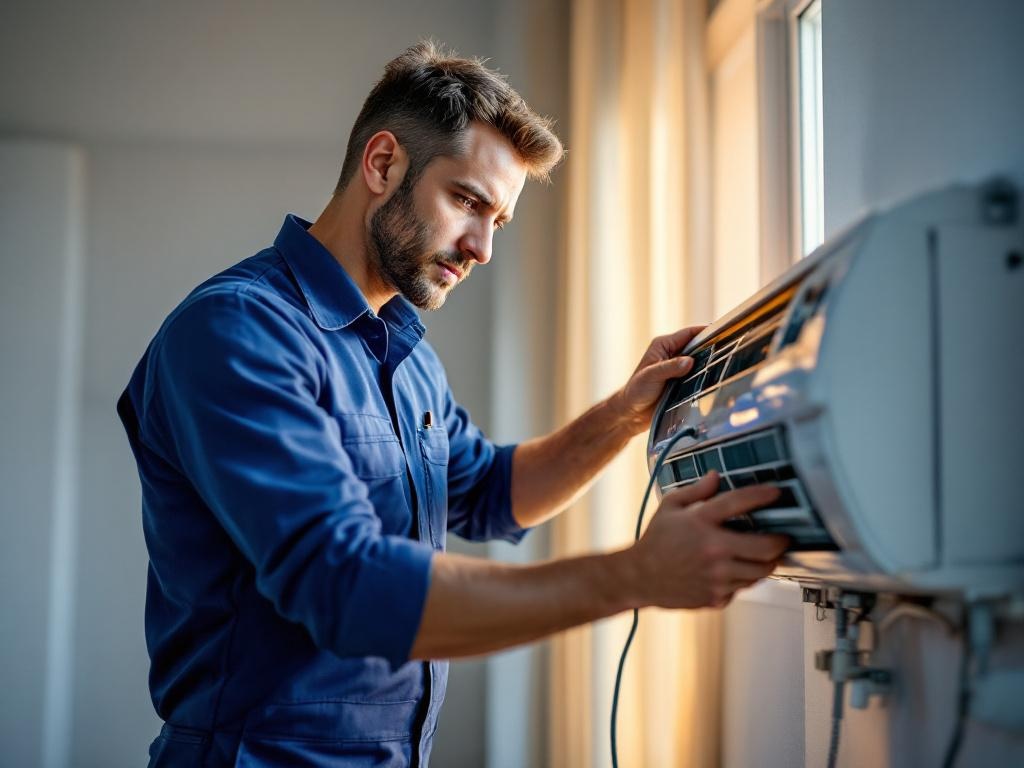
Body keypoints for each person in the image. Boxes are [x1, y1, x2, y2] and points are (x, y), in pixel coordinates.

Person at [117, 41, 788, 767]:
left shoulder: (406, 354)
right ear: (383, 164)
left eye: (499, 221)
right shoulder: (237, 330)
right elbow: (346, 587)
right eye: (468, 202)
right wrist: (634, 575)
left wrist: (625, 414)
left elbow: (494, 492)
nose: (483, 248)